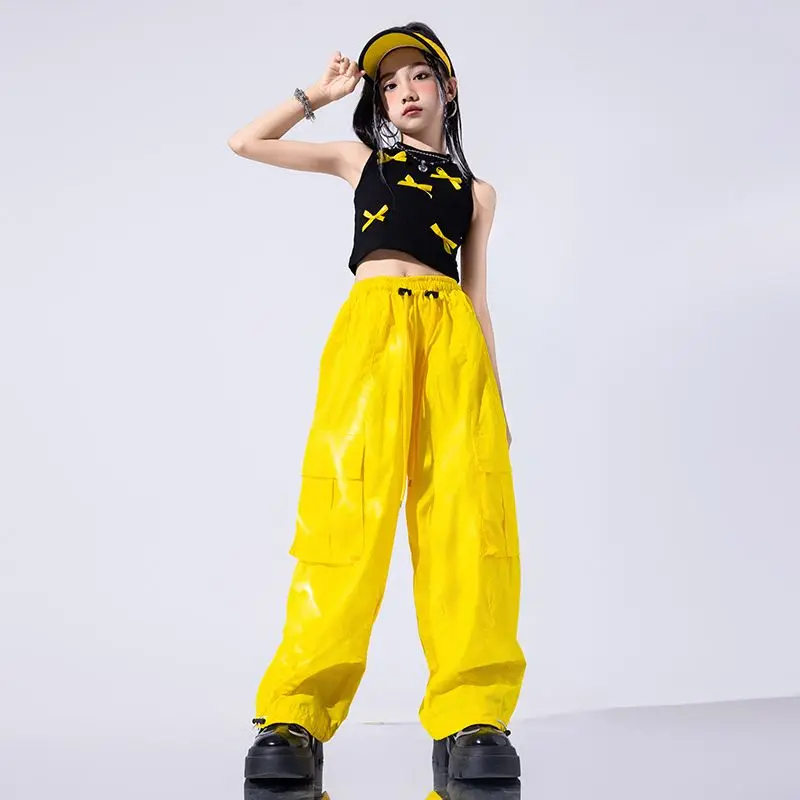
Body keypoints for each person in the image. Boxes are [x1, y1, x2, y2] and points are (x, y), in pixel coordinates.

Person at [228, 22, 526, 792]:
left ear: (447, 89)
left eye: (418, 76)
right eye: (388, 84)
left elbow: (478, 297)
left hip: (452, 340)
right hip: (371, 333)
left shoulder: (478, 193)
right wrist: (318, 95)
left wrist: (493, 400)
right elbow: (246, 142)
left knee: (466, 525)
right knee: (343, 519)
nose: (404, 91)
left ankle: (472, 716)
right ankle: (294, 715)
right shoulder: (360, 159)